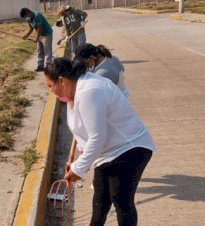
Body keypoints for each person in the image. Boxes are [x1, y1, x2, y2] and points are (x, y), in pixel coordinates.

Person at [43, 58, 156, 226]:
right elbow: (84, 130)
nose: (51, 91)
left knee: (121, 200)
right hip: (107, 152)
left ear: (61, 80)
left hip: (130, 148)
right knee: (100, 200)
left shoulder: (90, 91)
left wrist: (79, 168)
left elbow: (97, 136)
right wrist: (82, 157)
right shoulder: (73, 91)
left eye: (50, 86)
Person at [20, 7, 53, 72]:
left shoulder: (37, 15)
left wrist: (36, 38)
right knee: (40, 50)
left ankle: (49, 66)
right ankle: (40, 66)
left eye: (25, 16)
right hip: (40, 34)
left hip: (47, 33)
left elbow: (40, 29)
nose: (26, 18)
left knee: (47, 50)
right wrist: (26, 35)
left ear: (28, 12)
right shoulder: (29, 18)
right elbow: (31, 28)